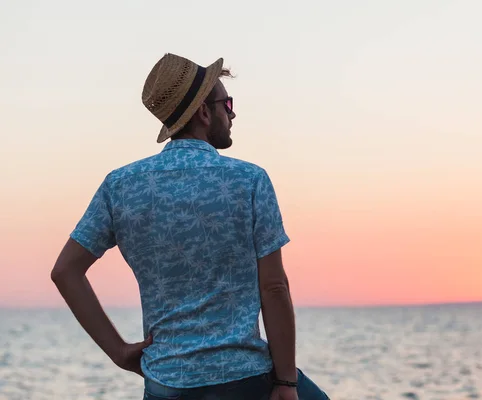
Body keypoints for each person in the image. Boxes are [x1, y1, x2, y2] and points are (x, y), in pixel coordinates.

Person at [50, 53, 330, 400]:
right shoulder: (249, 180)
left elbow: (65, 271)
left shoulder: (120, 185)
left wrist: (119, 352)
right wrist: (286, 382)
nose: (233, 112)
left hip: (165, 383)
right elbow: (274, 287)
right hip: (243, 378)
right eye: (226, 103)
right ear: (203, 112)